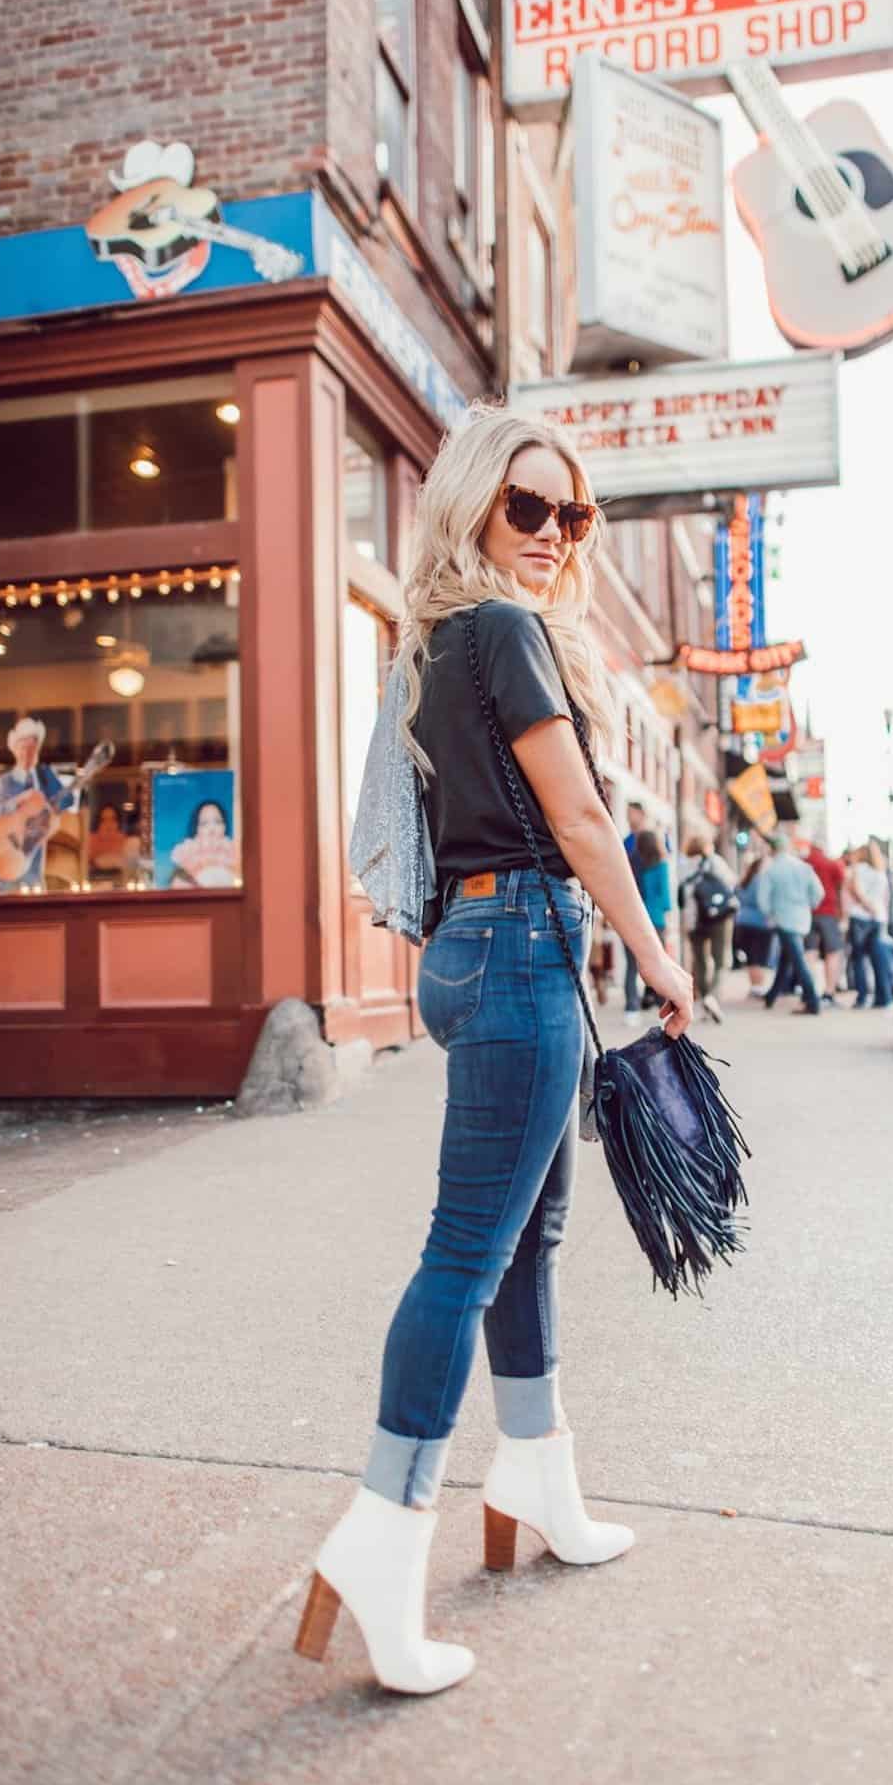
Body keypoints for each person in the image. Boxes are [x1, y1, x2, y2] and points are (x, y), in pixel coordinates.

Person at [296, 407, 694, 1697]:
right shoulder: (505, 634)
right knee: (464, 1254)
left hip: (472, 957)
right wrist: (654, 952)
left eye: (569, 515)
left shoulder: (427, 649)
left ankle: (535, 1475)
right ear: (472, 503)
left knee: (527, 1236)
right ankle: (380, 1531)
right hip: (523, 944)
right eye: (527, 507)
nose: (550, 534)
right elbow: (576, 811)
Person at [0, 716, 79, 891]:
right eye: (23, 747)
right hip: (4, 869)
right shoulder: (4, 782)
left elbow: (66, 801)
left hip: (33, 874)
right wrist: (16, 801)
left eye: (32, 747)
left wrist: (52, 817)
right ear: (14, 749)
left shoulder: (44, 778)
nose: (27, 752)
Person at [756, 830, 824, 1014]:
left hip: (783, 919)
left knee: (798, 960)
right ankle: (771, 996)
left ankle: (813, 1001)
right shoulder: (804, 867)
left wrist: (770, 914)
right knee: (787, 958)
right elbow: (818, 893)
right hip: (802, 918)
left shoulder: (771, 870)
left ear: (772, 849)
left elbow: (763, 901)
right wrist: (805, 904)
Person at [679, 833, 737, 1023]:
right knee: (721, 960)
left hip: (694, 919)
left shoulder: (683, 865)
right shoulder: (715, 862)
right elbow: (731, 882)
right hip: (718, 916)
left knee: (700, 961)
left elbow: (679, 893)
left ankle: (704, 1001)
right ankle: (713, 996)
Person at [795, 830, 846, 1005]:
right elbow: (841, 889)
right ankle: (829, 994)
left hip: (808, 913)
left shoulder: (803, 864)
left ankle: (808, 992)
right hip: (828, 913)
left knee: (810, 952)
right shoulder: (832, 864)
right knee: (833, 952)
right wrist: (843, 914)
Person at [844, 839, 893, 1008]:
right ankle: (884, 997)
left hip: (860, 917)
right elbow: (886, 898)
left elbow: (855, 889)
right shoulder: (881, 872)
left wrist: (867, 906)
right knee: (878, 959)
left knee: (858, 959)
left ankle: (862, 997)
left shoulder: (858, 869)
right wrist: (879, 913)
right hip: (879, 919)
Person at [634, 827, 674, 1012]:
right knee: (658, 959)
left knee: (636, 961)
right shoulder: (661, 865)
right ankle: (659, 999)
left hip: (638, 916)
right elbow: (665, 898)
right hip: (656, 917)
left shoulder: (635, 863)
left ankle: (638, 1000)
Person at [169, 798, 240, 887]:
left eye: (218, 822)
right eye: (204, 823)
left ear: (224, 826)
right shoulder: (188, 854)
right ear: (196, 828)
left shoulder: (233, 852)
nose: (212, 828)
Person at [732, 853, 774, 1000]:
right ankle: (758, 987)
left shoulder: (746, 879)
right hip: (760, 922)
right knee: (760, 956)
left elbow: (737, 894)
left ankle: (754, 986)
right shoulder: (762, 880)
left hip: (743, 921)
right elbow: (763, 902)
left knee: (751, 957)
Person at [621, 800, 646, 1024]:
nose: (629, 817)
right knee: (631, 962)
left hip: (647, 911)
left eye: (632, 813)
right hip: (631, 910)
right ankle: (632, 1005)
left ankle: (646, 1001)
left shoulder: (652, 843)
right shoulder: (625, 843)